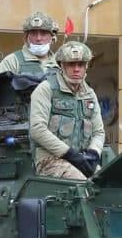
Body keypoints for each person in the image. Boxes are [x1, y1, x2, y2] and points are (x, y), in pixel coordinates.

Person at [28, 40, 105, 180]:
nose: (76, 69)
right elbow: (37, 129)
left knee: (105, 183)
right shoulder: (46, 89)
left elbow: (98, 132)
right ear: (61, 65)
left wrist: (93, 153)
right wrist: (69, 154)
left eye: (81, 64)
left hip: (82, 160)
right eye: (71, 64)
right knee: (81, 184)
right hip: (50, 161)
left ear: (86, 66)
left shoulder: (89, 93)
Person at [0, 11, 60, 75]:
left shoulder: (60, 63)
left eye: (43, 33)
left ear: (52, 37)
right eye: (34, 34)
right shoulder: (12, 61)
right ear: (26, 38)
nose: (38, 38)